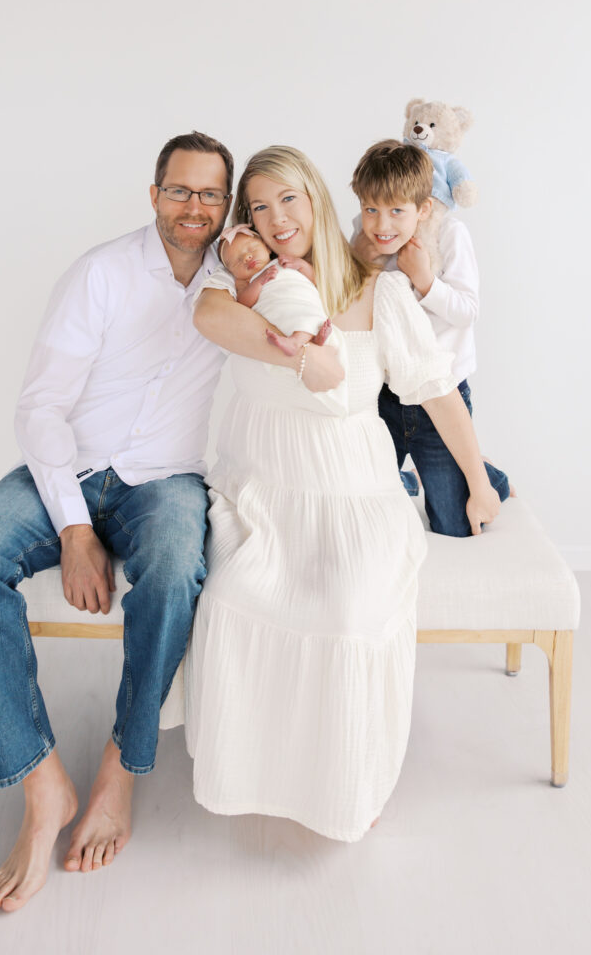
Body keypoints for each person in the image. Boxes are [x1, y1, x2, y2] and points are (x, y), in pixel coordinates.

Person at [0, 131, 268, 913]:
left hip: (168, 485)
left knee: (179, 569)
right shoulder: (101, 274)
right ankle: (40, 784)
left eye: (210, 195)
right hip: (71, 468)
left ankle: (120, 768)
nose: (195, 208)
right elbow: (41, 406)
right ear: (152, 195)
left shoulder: (238, 281)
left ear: (228, 205)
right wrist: (76, 528)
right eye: (180, 191)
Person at [187, 145, 502, 842]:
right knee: (241, 597)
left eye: (289, 199)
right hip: (263, 483)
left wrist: (477, 484)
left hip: (353, 485)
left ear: (318, 200)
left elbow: (434, 390)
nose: (275, 218)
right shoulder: (241, 281)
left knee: (352, 609)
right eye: (259, 207)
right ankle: (252, 776)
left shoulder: (377, 290)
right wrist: (301, 350)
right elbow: (206, 319)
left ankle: (344, 784)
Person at [350, 139, 511, 536]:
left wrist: (424, 279)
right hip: (386, 394)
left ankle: (487, 476)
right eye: (371, 209)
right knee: (361, 496)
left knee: (454, 524)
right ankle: (404, 476)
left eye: (396, 211)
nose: (382, 225)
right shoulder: (364, 237)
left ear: (423, 208)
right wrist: (360, 260)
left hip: (441, 399)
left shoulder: (449, 234)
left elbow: (467, 310)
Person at [217, 223, 347, 414]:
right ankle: (299, 342)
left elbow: (315, 280)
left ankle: (310, 341)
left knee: (310, 315)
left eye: (252, 249)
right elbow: (244, 303)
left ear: (267, 247)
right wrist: (260, 282)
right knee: (294, 318)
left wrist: (301, 266)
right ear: (233, 273)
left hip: (302, 302)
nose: (247, 257)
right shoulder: (247, 282)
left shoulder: (282, 262)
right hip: (278, 312)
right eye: (238, 261)